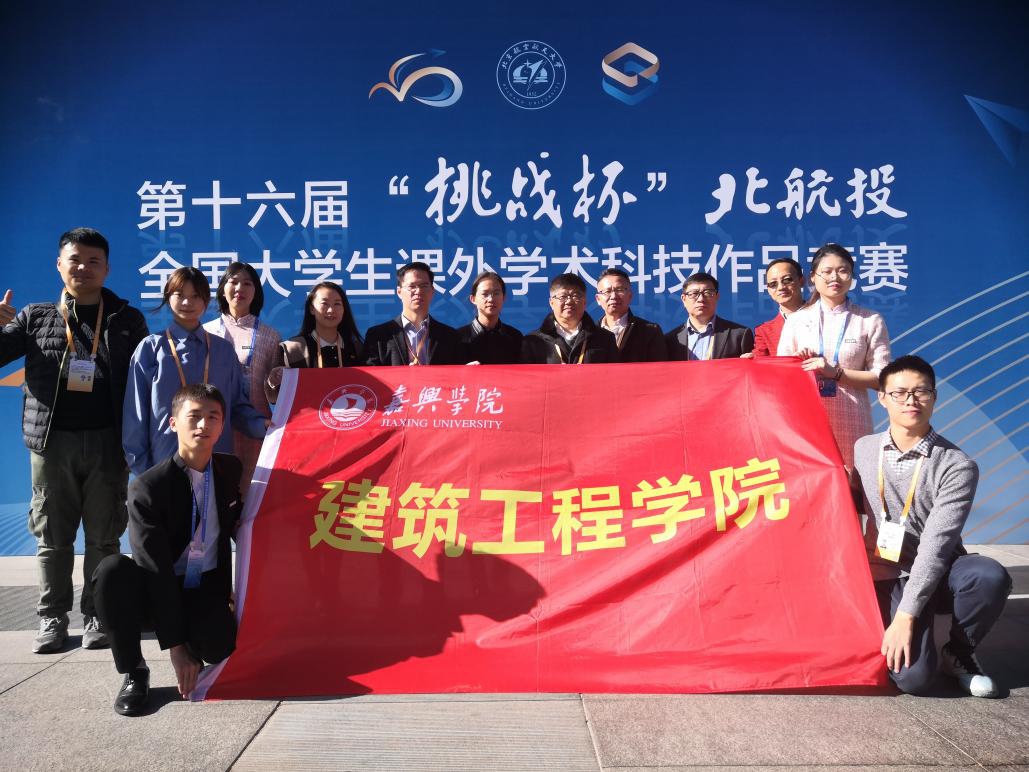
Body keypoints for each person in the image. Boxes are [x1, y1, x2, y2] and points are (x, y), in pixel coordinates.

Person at [0, 228, 148, 654]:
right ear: (59, 265)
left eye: (93, 261)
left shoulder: (126, 319)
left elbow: (144, 381)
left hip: (107, 444)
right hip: (52, 444)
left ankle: (98, 612)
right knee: (52, 537)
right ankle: (52, 617)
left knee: (104, 537)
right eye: (75, 260)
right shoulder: (35, 316)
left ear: (107, 268)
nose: (83, 268)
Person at [852, 356, 1011, 698]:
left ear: (934, 397)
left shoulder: (957, 465)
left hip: (939, 568)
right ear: (882, 398)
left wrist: (906, 616)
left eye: (921, 391)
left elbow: (937, 545)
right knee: (914, 680)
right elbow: (844, 502)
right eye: (900, 393)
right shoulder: (864, 449)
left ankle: (959, 652)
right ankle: (911, 632)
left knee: (988, 576)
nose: (911, 400)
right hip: (886, 571)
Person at [93, 384, 243, 716]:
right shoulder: (148, 487)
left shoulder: (231, 470)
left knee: (220, 646)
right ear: (173, 423)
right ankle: (134, 672)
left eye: (213, 417)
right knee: (112, 572)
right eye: (194, 416)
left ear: (222, 425)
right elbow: (155, 569)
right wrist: (175, 647)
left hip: (203, 589)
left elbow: (242, 524)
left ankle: (195, 642)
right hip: (157, 589)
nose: (203, 425)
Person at [123, 267, 267, 477]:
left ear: (206, 300)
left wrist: (263, 426)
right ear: (168, 297)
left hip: (216, 466)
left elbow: (237, 406)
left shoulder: (223, 350)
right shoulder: (150, 349)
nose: (187, 302)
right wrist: (145, 473)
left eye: (195, 296)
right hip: (164, 466)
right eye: (179, 295)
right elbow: (135, 415)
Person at [777, 244, 890, 469]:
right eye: (827, 271)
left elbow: (882, 378)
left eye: (843, 270)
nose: (834, 277)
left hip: (853, 421)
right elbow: (780, 378)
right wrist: (797, 364)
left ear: (852, 276)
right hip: (807, 421)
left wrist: (836, 373)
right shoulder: (796, 321)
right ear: (813, 277)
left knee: (854, 484)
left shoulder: (869, 320)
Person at [204, 262, 281, 497]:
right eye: (234, 282)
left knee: (252, 496)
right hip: (214, 424)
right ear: (222, 289)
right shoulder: (206, 332)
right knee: (216, 493)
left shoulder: (270, 335)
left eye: (247, 283)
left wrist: (277, 380)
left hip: (256, 426)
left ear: (256, 291)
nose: (240, 288)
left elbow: (274, 395)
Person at [265, 281, 364, 404]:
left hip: (349, 414)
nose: (331, 310)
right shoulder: (292, 349)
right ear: (312, 309)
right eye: (324, 303)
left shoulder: (357, 348)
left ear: (344, 309)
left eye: (337, 304)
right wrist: (276, 380)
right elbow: (273, 398)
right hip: (307, 416)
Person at [363, 261, 466, 366]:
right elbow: (369, 374)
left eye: (424, 286)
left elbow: (458, 373)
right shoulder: (378, 336)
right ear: (399, 292)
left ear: (432, 291)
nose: (418, 291)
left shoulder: (450, 336)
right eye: (412, 286)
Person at [522, 273, 617, 364]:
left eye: (575, 296)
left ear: (584, 302)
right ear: (551, 303)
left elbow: (614, 374)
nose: (569, 301)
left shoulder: (605, 338)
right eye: (562, 296)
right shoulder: (533, 341)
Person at [665, 272, 754, 360]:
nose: (701, 299)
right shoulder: (670, 340)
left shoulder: (740, 335)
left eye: (707, 293)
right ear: (684, 299)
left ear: (717, 297)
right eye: (694, 294)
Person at [594, 268, 667, 362]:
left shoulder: (650, 331)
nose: (613, 296)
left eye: (619, 290)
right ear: (598, 299)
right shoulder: (589, 333)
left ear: (630, 296)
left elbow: (660, 368)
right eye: (607, 291)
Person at [457, 271, 523, 365]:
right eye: (485, 294)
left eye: (496, 293)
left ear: (504, 298)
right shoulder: (458, 338)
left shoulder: (515, 337)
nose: (491, 299)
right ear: (473, 299)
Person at [747, 257, 805, 357]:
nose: (781, 287)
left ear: (801, 281)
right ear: (768, 290)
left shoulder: (822, 316)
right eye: (773, 284)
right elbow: (760, 358)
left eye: (787, 280)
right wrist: (750, 359)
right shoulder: (764, 331)